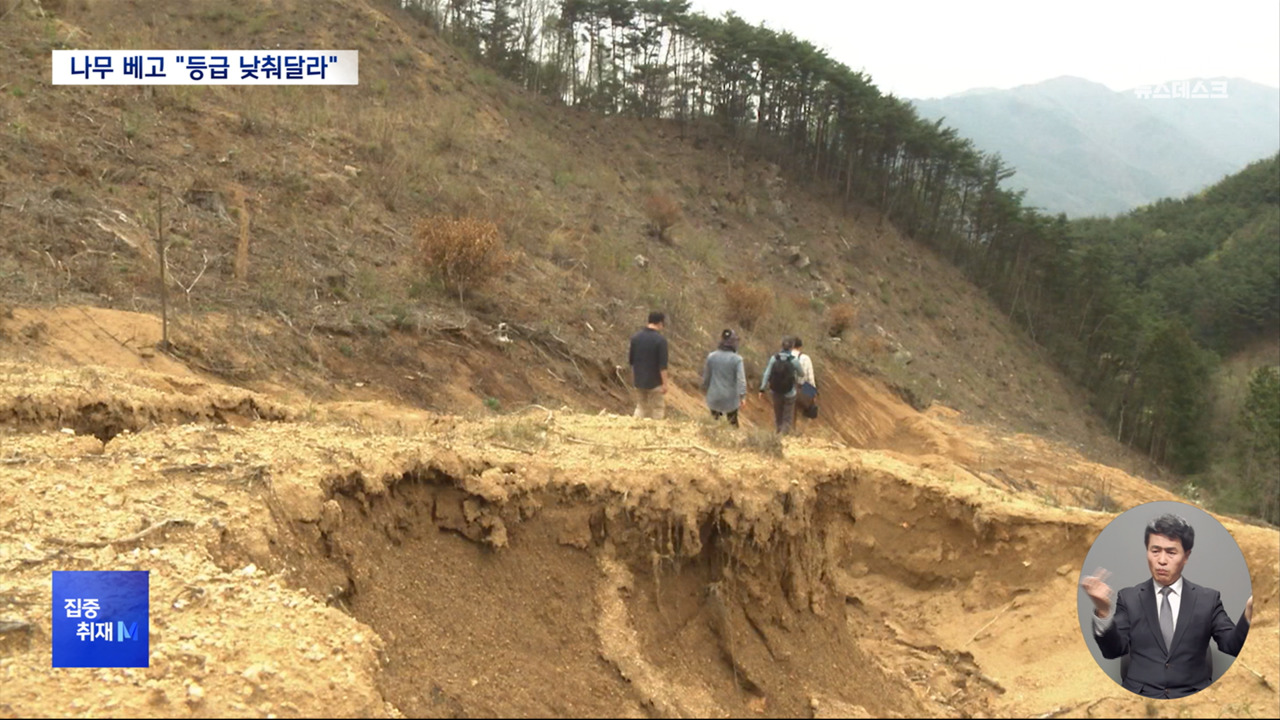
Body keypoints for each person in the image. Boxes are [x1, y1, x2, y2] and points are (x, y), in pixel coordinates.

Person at [1080, 513, 1253, 699]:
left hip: (1193, 698)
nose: (1162, 560)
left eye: (1171, 552)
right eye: (1155, 551)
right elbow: (1112, 651)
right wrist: (1103, 611)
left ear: (1186, 556)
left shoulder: (1208, 599)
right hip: (1138, 698)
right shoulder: (1129, 598)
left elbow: (1232, 645)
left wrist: (1250, 612)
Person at [757, 336, 803, 434]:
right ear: (792, 347)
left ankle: (778, 432)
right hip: (790, 392)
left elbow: (767, 373)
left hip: (775, 391)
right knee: (787, 416)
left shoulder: (774, 358)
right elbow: (801, 374)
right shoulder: (793, 360)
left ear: (781, 346)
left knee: (778, 415)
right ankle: (784, 434)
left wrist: (762, 389)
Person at [628, 311, 669, 419]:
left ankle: (634, 428)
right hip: (655, 382)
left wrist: (634, 379)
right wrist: (665, 384)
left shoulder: (635, 338)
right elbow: (663, 365)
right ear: (660, 323)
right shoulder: (661, 341)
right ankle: (656, 432)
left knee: (641, 406)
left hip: (639, 379)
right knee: (658, 408)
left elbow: (631, 361)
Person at [701, 329, 747, 426]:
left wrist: (704, 388)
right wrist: (742, 396)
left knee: (713, 423)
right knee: (733, 424)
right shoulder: (737, 359)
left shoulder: (711, 356)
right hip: (730, 399)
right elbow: (741, 379)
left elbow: (707, 377)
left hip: (714, 396)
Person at [791, 336, 818, 420]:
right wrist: (813, 394)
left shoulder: (782, 356)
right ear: (800, 347)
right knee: (810, 404)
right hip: (799, 387)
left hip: (783, 387)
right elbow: (810, 378)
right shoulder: (805, 358)